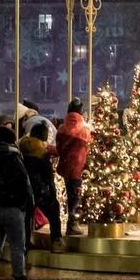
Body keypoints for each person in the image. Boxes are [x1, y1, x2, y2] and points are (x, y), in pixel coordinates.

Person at [0, 126, 41, 280]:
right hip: (12, 207)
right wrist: (28, 204)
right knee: (17, 246)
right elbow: (24, 183)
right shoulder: (13, 157)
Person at [19, 120, 64, 252]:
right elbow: (49, 179)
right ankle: (56, 241)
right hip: (41, 193)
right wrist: (53, 195)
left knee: (27, 217)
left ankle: (26, 242)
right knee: (54, 213)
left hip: (25, 191)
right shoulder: (42, 154)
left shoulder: (23, 150)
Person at [56, 98, 91, 236]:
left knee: (70, 195)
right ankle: (72, 224)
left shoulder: (62, 128)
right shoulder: (84, 129)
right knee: (76, 197)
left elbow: (59, 148)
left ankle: (70, 223)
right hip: (78, 168)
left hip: (65, 166)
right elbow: (88, 150)